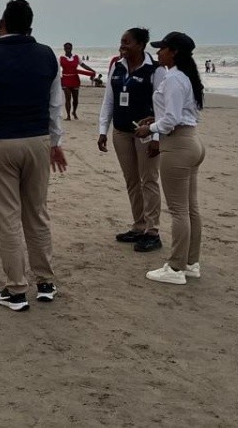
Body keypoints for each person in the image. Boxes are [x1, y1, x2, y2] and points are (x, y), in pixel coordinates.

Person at [0, 0, 66, 312]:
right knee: (37, 212)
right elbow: (55, 105)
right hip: (37, 140)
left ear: (1, 24)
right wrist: (55, 141)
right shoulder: (48, 56)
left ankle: (16, 289)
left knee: (7, 216)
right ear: (30, 26)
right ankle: (45, 282)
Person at [138, 31, 205, 285]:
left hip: (177, 145)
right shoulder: (186, 76)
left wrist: (150, 128)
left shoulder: (174, 78)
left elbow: (172, 119)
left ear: (174, 51)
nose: (158, 52)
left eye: (162, 48)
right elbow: (180, 114)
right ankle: (191, 262)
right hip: (191, 141)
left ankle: (176, 267)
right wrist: (156, 119)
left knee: (178, 210)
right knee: (190, 208)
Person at [98, 28, 165, 253]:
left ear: (140, 45)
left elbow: (161, 106)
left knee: (149, 180)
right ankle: (139, 226)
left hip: (146, 133)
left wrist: (157, 136)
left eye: (127, 42)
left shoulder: (155, 69)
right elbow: (109, 100)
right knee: (132, 181)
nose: (122, 46)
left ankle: (153, 232)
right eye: (121, 41)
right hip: (121, 132)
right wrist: (103, 130)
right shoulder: (116, 66)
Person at [59, 42, 96, 120]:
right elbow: (56, 68)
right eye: (66, 48)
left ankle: (74, 112)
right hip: (65, 79)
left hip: (75, 79)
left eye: (69, 48)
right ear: (64, 49)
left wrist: (92, 70)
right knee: (68, 98)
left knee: (75, 99)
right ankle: (68, 116)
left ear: (71, 48)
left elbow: (83, 65)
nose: (68, 49)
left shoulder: (76, 57)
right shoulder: (61, 58)